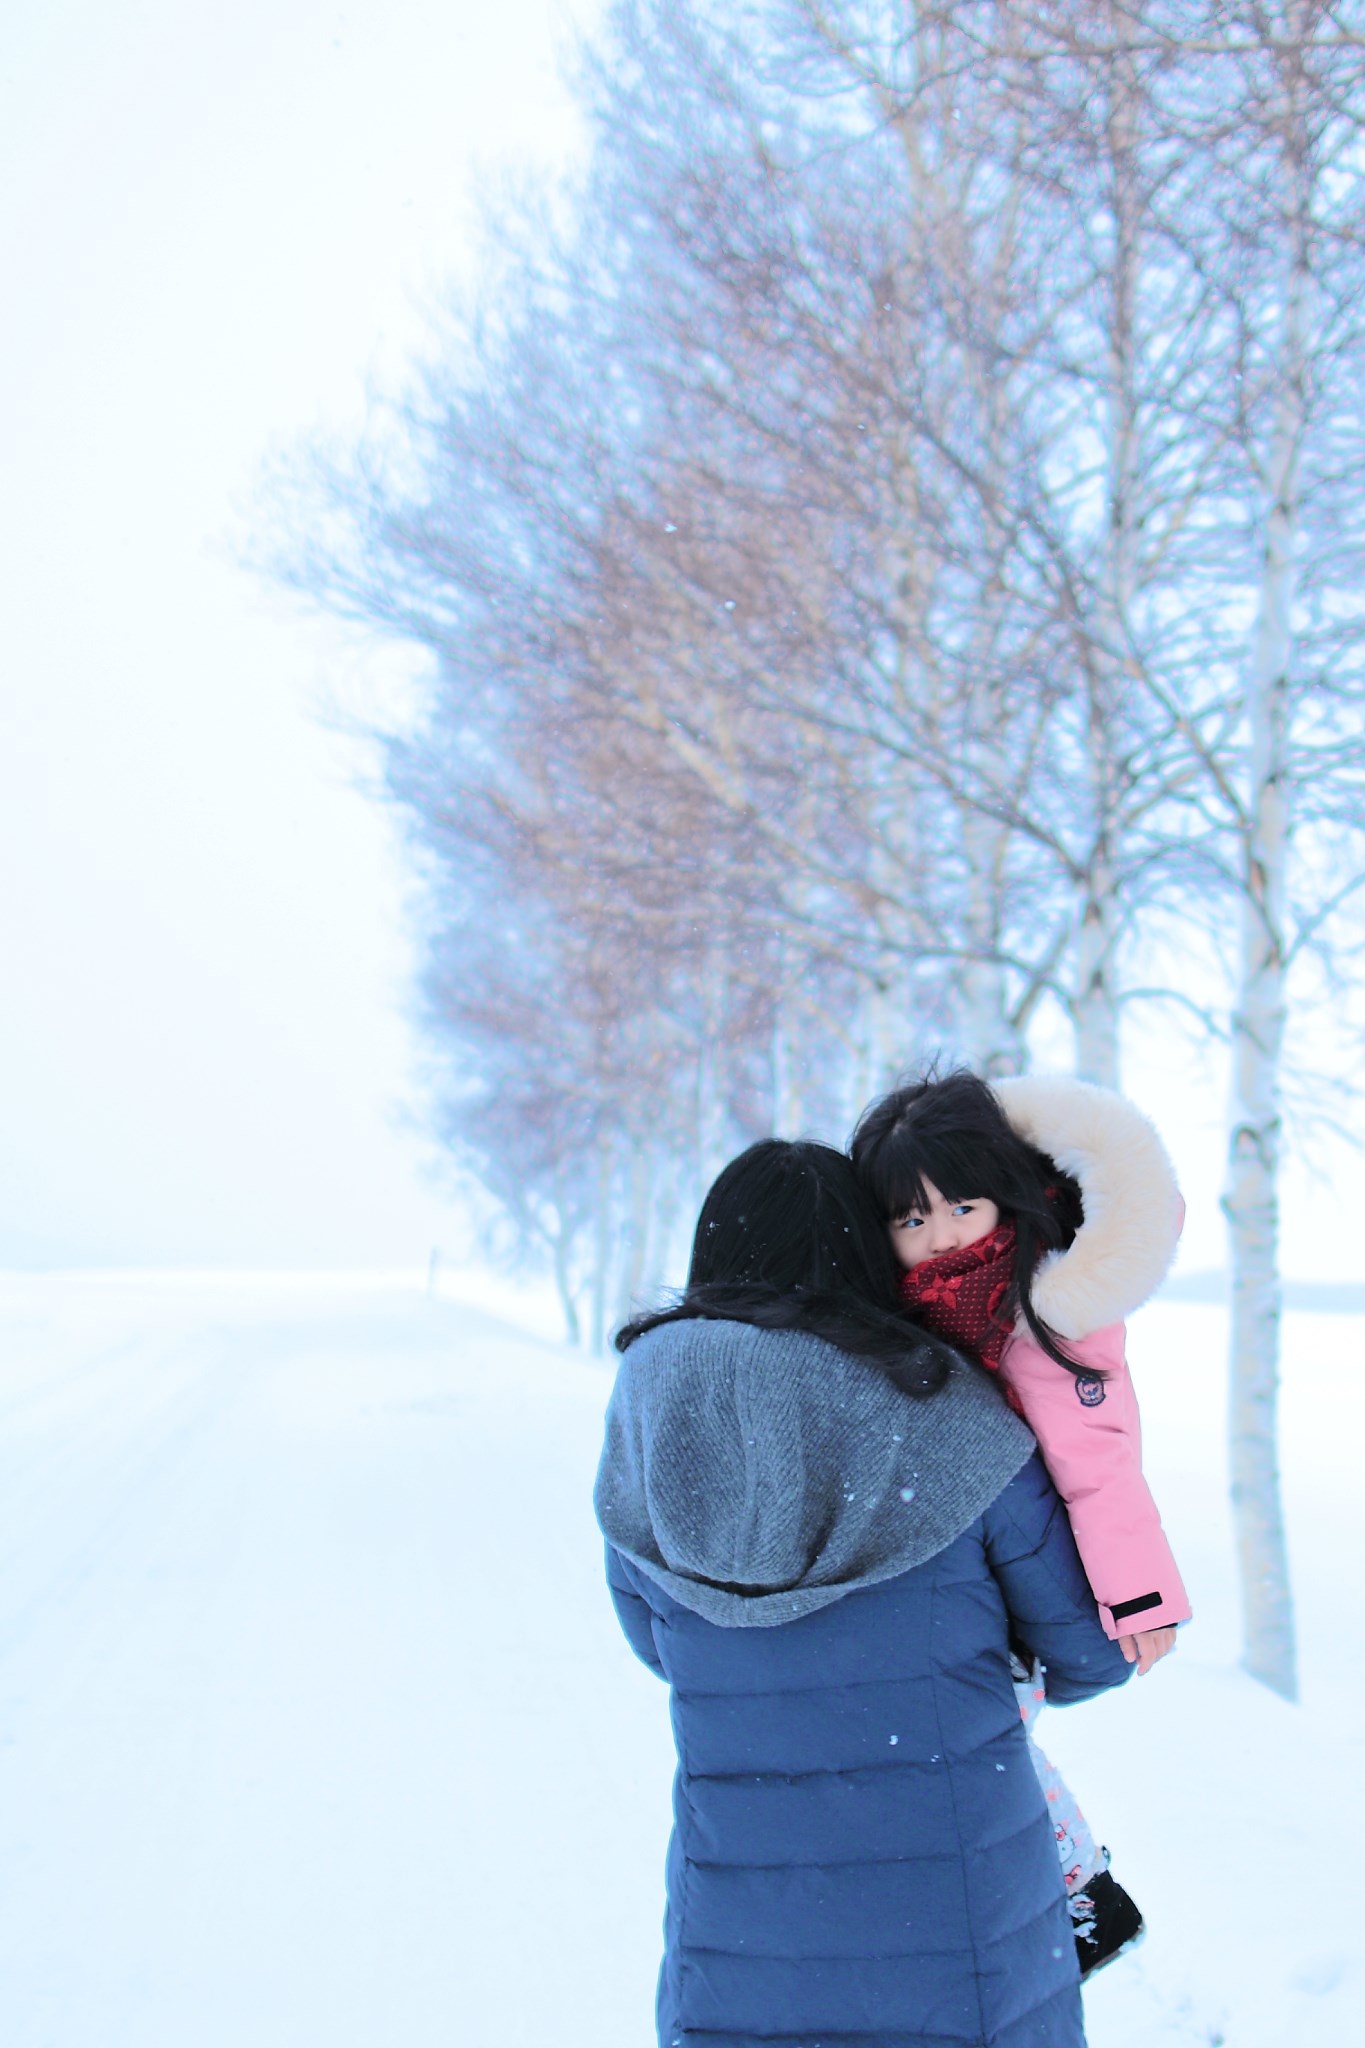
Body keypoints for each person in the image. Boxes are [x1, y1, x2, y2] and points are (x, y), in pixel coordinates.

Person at [595, 1139, 1132, 2048]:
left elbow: (658, 1645)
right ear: (863, 1256)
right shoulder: (952, 1417)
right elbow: (1087, 1651)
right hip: (962, 1940)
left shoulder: (653, 1419)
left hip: (743, 1945)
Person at [851, 1068, 1191, 1976]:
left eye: (957, 1205)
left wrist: (1141, 1594)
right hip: (959, 1544)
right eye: (910, 1219)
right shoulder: (904, 1305)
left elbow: (1098, 1463)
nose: (939, 1236)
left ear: (1001, 1192)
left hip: (1032, 1555)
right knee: (972, 1728)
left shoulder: (1048, 1305)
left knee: (984, 1723)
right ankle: (1069, 1897)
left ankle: (1078, 1898)